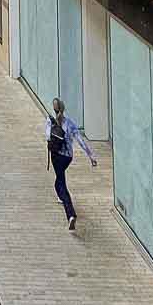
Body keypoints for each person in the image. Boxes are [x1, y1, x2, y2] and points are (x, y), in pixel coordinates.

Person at [44, 97, 97, 231]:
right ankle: (61, 197)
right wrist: (91, 156)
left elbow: (47, 137)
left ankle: (70, 214)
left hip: (56, 157)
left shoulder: (50, 122)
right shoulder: (70, 124)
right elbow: (80, 141)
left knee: (61, 183)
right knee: (58, 182)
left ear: (54, 109)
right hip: (68, 158)